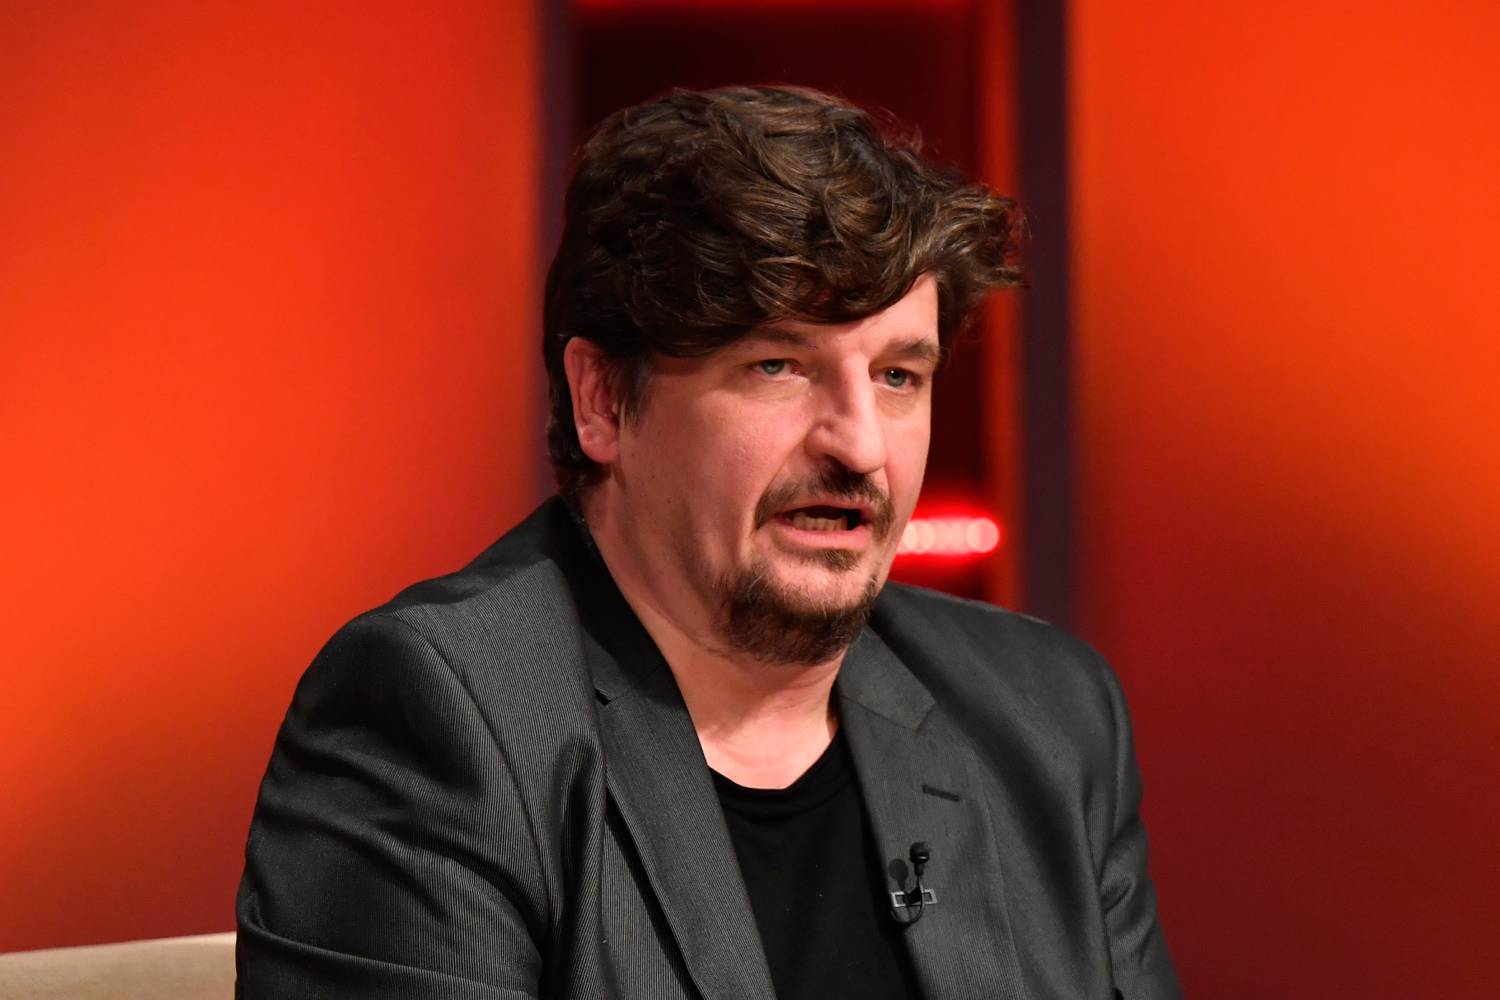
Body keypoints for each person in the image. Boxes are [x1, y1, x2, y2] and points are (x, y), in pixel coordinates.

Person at [236, 85, 1180, 1000]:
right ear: (603, 400)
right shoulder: (440, 719)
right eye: (778, 365)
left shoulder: (1046, 717)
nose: (859, 445)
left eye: (898, 376)